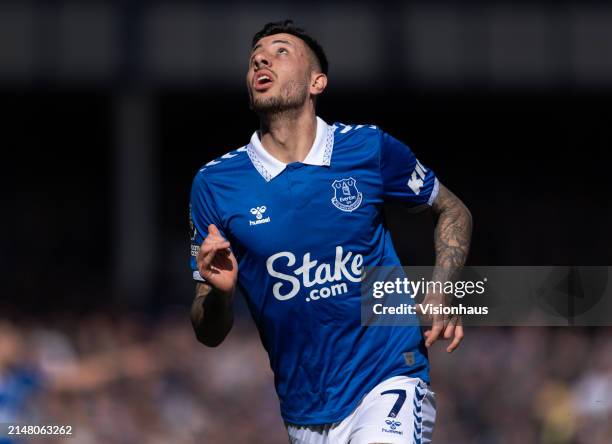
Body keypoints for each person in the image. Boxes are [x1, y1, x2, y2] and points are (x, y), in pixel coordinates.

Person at [189, 20, 472, 444]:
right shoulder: (215, 185)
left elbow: (453, 210)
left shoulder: (369, 149)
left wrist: (442, 290)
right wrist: (221, 294)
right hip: (305, 411)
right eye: (254, 59)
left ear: (316, 82)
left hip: (390, 375)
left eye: (280, 51)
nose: (261, 59)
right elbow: (208, 332)